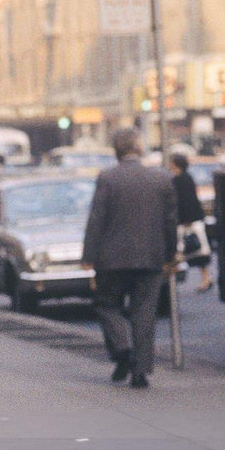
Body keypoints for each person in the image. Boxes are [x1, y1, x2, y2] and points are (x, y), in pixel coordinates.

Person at [81, 126, 177, 388]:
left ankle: (122, 348)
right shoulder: (161, 179)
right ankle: (141, 371)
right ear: (139, 148)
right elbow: (170, 222)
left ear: (116, 152)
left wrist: (88, 255)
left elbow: (96, 219)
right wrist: (171, 255)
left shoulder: (108, 178)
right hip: (150, 259)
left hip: (111, 260)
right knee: (144, 312)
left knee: (106, 304)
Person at [169, 151, 213, 292]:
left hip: (187, 221)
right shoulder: (186, 178)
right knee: (196, 251)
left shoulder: (180, 180)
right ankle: (205, 278)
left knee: (183, 251)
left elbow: (185, 202)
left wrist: (185, 220)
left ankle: (172, 284)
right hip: (191, 219)